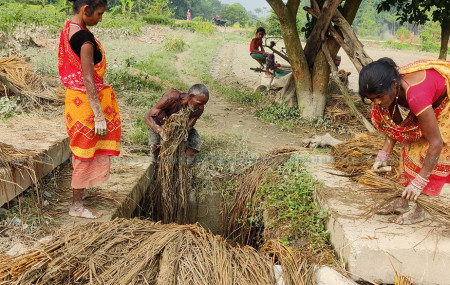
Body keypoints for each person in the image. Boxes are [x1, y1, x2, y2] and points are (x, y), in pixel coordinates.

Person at [359, 58, 450, 224]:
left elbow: (436, 143)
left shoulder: (415, 95)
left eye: (379, 97)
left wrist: (419, 181)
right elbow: (397, 129)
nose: (377, 103)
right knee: (410, 145)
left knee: (433, 153)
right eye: (372, 99)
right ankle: (402, 202)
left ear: (394, 84)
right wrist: (383, 154)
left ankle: (421, 210)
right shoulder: (389, 91)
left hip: (446, 105)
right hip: (428, 102)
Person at [58, 0, 121, 219]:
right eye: (99, 14)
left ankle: (81, 192)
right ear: (86, 10)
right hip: (85, 105)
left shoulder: (71, 28)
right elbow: (88, 79)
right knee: (84, 153)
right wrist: (99, 115)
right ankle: (76, 206)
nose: (100, 19)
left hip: (75, 101)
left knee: (84, 151)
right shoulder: (84, 40)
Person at [143, 84, 209, 165]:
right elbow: (147, 117)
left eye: (203, 104)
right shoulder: (171, 98)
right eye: (199, 103)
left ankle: (183, 169)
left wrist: (180, 136)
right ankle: (156, 170)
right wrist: (161, 131)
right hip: (160, 125)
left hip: (180, 128)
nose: (201, 107)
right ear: (191, 96)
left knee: (194, 144)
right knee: (155, 151)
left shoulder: (198, 109)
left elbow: (189, 126)